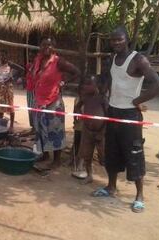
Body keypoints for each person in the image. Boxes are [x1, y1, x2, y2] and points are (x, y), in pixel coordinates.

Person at [91, 27, 159, 213]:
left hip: (130, 114)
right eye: (113, 40)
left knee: (134, 154)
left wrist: (136, 101)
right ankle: (111, 187)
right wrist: (104, 94)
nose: (116, 43)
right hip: (113, 112)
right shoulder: (113, 59)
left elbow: (157, 86)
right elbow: (111, 79)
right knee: (111, 151)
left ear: (127, 39)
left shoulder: (138, 60)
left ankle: (139, 196)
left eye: (119, 40)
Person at [32, 37, 80, 171]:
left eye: (50, 45)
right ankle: (45, 155)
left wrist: (64, 83)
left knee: (55, 130)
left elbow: (77, 72)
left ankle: (57, 160)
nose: (47, 47)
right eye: (44, 45)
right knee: (41, 128)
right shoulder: (39, 60)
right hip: (39, 101)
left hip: (54, 102)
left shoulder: (59, 62)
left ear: (54, 47)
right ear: (40, 46)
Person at [75, 75, 108, 184]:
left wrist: (102, 132)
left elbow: (108, 116)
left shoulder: (102, 98)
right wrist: (79, 114)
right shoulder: (85, 97)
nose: (86, 86)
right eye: (85, 84)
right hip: (87, 131)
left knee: (104, 156)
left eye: (90, 84)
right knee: (87, 155)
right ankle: (89, 175)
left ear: (96, 85)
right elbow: (78, 106)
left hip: (101, 131)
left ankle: (110, 180)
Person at [0, 49, 24, 132]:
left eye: (4, 55)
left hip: (8, 88)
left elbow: (21, 69)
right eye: (0, 55)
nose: (2, 57)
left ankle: (11, 126)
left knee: (10, 106)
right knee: (0, 107)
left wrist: (13, 78)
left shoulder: (10, 64)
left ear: (7, 56)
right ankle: (1, 124)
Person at [25, 50, 36, 134]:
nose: (31, 57)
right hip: (29, 90)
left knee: (34, 109)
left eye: (32, 56)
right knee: (30, 109)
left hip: (35, 90)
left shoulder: (37, 66)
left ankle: (36, 128)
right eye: (30, 56)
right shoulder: (28, 65)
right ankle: (33, 127)